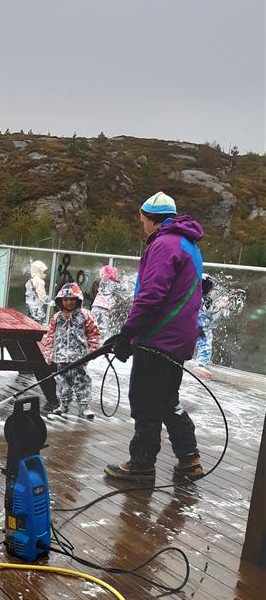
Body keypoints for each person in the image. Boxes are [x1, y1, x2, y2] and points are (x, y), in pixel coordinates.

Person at [105, 192, 204, 484]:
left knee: (146, 400)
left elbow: (150, 296)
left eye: (142, 220)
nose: (142, 225)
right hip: (177, 338)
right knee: (166, 400)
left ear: (150, 219)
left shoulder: (164, 244)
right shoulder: (189, 244)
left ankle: (141, 465)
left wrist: (128, 332)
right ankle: (189, 459)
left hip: (159, 338)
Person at [42, 282, 101, 418]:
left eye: (72, 299)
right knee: (62, 383)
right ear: (61, 301)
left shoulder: (85, 315)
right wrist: (49, 352)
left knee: (82, 381)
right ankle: (63, 405)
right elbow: (50, 336)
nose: (69, 302)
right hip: (61, 357)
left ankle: (84, 407)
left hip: (80, 357)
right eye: (65, 300)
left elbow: (94, 333)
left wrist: (93, 350)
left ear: (78, 300)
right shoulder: (57, 318)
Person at [90, 264, 124, 339]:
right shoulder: (113, 284)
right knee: (103, 329)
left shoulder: (101, 282)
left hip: (95, 307)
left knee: (93, 326)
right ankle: (102, 343)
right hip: (105, 309)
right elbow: (124, 291)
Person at [193, 273, 214, 376]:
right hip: (202, 326)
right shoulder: (207, 300)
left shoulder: (192, 296)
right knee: (205, 343)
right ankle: (201, 364)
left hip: (189, 323)